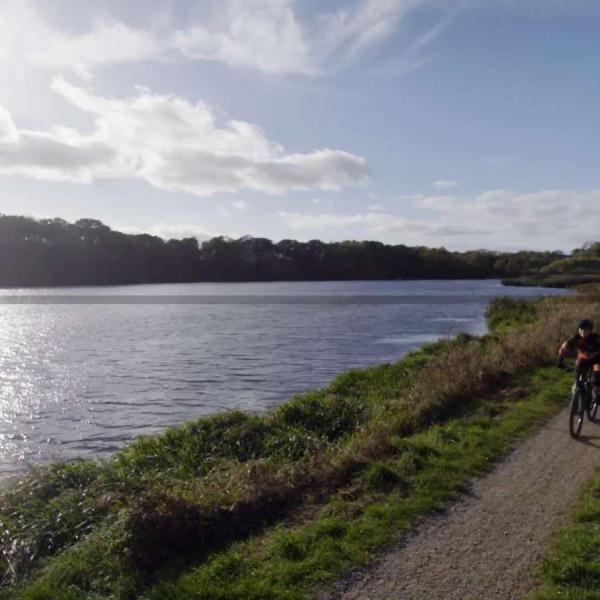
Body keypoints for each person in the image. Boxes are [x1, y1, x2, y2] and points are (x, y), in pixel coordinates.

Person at [557, 319, 600, 396]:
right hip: (584, 359)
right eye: (581, 329)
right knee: (578, 365)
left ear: (590, 330)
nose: (583, 331)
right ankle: (576, 383)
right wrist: (560, 359)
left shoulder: (596, 338)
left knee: (596, 376)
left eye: (586, 329)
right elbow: (564, 347)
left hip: (597, 360)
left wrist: (595, 353)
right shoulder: (575, 338)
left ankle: (597, 391)